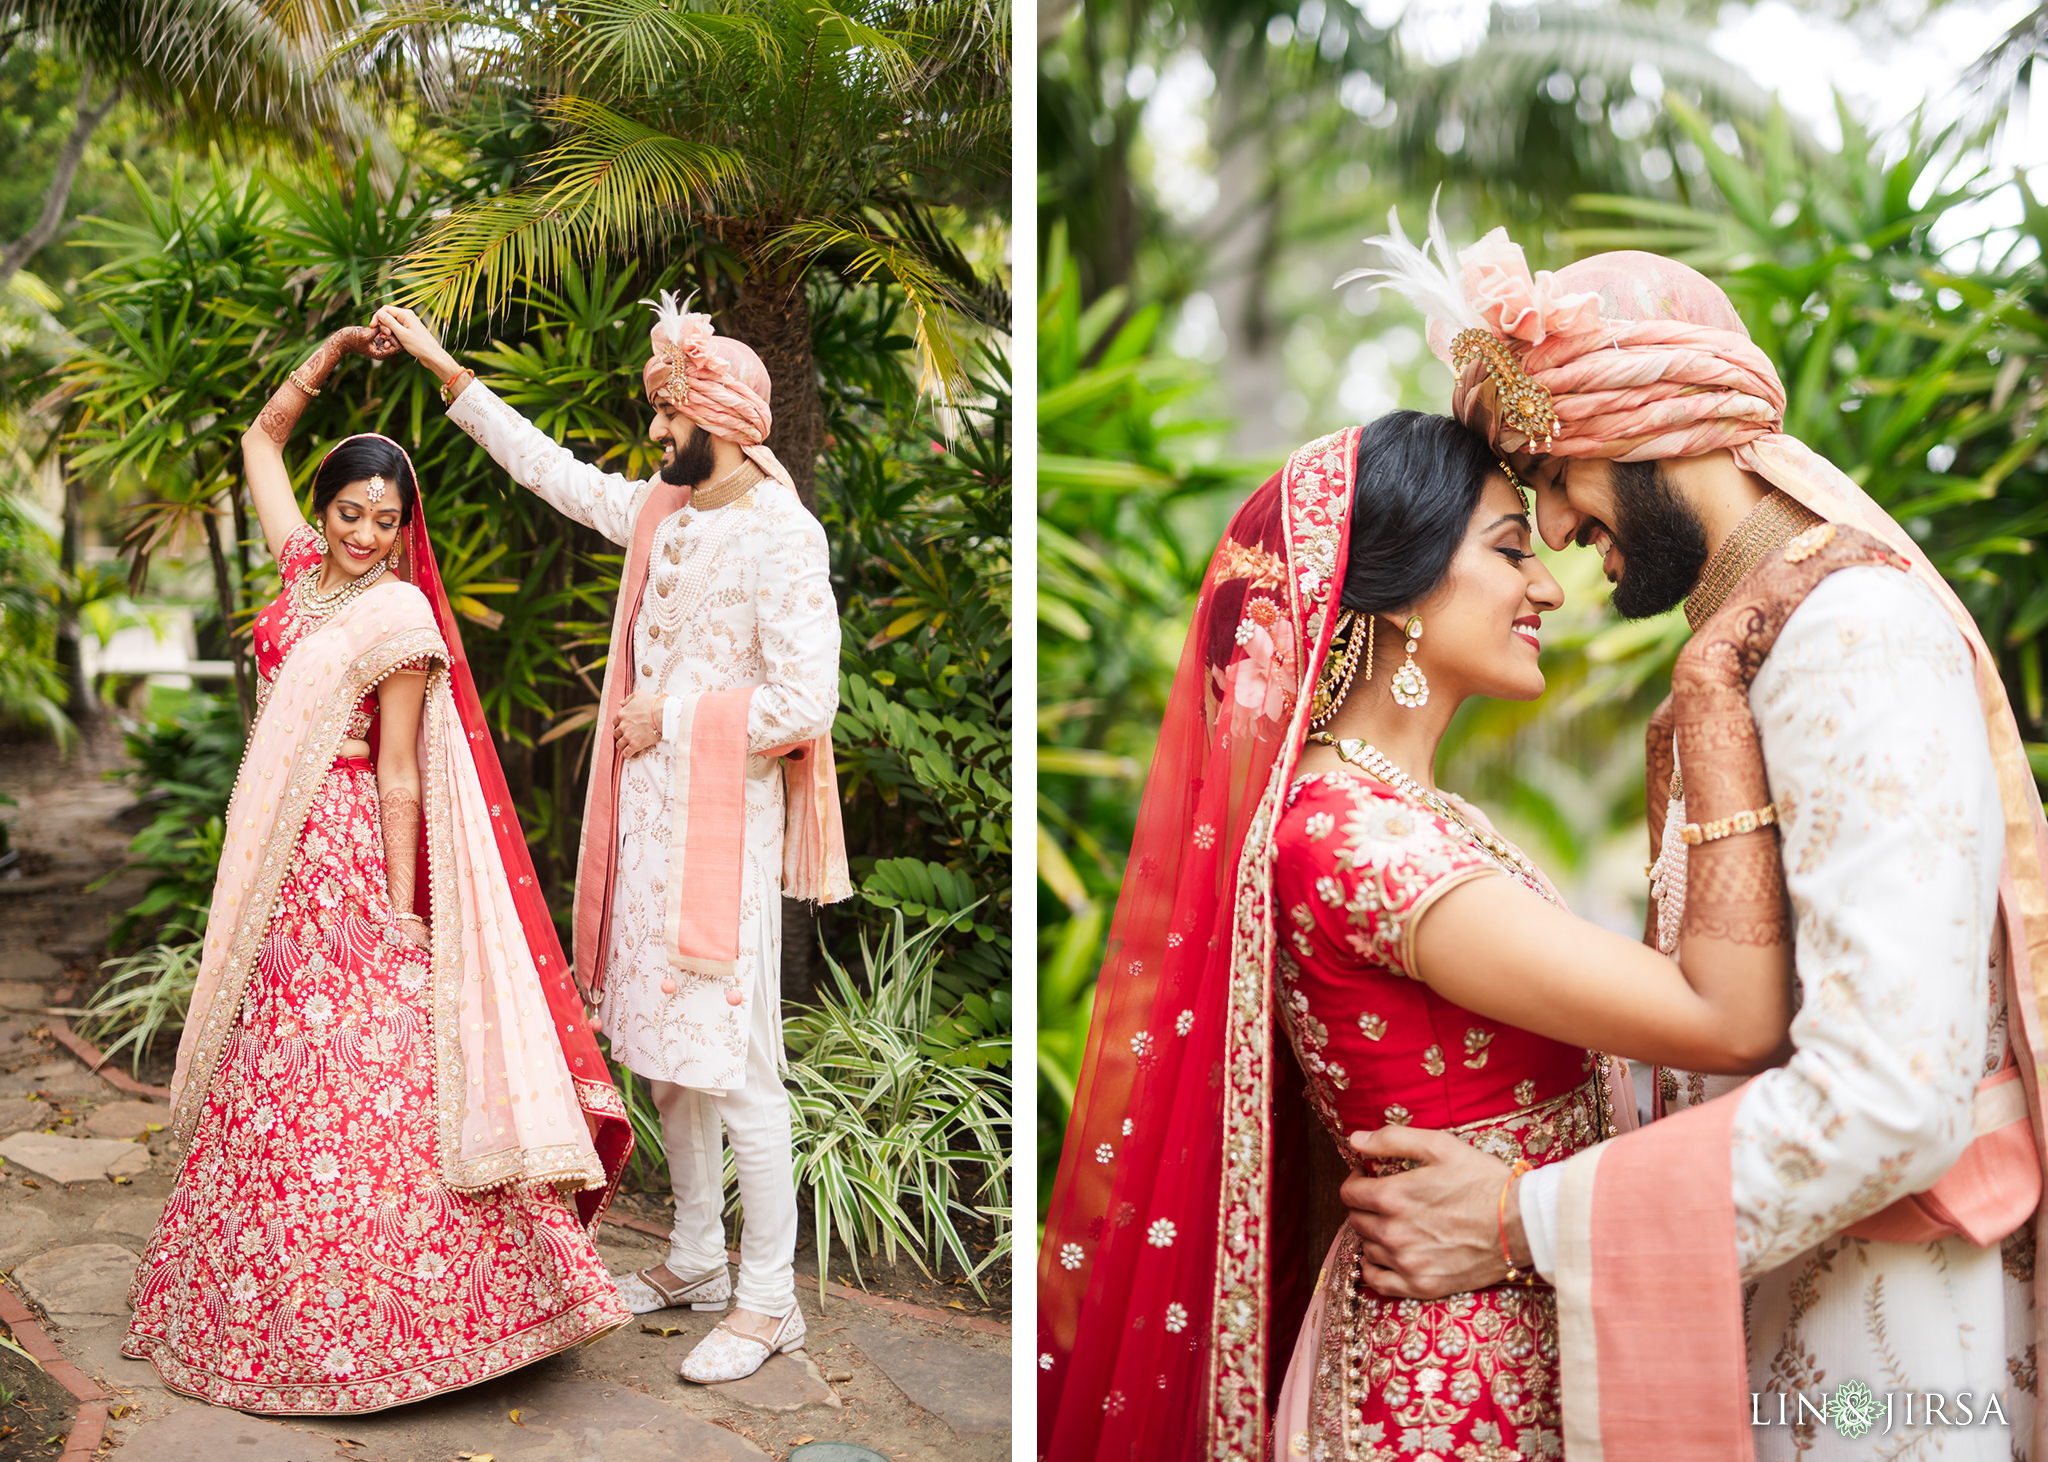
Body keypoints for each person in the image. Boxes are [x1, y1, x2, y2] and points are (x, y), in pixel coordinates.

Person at [1339, 216, 2048, 1461]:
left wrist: (1517, 1217)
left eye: (1553, 479)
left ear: (1647, 433)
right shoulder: (1755, 652)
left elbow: (1889, 1098)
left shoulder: (1849, 636)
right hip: (1786, 1321)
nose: (1554, 533)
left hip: (1885, 1356)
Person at [1037, 409, 1801, 1461]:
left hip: (1497, 1337)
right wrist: (1713, 708)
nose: (1544, 587)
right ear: (1394, 592)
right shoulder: (1357, 839)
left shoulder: (1405, 813)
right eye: (1506, 550)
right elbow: (1726, 1016)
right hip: (1450, 1390)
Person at [124, 325, 635, 1414]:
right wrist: (333, 353)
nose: (362, 533)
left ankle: (428, 1311)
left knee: (368, 1063)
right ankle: (254, 1301)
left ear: (406, 531)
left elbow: (401, 772)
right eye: (348, 513)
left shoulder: (395, 614)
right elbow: (261, 438)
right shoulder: (300, 570)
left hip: (350, 855)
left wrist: (403, 909)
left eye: (384, 520)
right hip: (275, 853)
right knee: (274, 1063)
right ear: (325, 510)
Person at [370, 297, 851, 1385]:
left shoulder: (780, 532)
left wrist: (668, 717)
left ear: (715, 421)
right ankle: (691, 1260)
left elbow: (805, 700)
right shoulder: (664, 516)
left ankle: (769, 1300)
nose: (651, 439)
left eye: (665, 419)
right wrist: (449, 373)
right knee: (671, 1067)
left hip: (718, 839)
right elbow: (556, 473)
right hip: (649, 836)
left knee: (738, 1073)